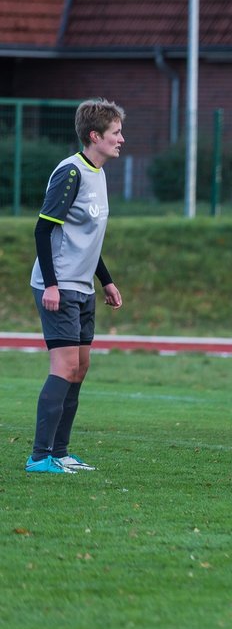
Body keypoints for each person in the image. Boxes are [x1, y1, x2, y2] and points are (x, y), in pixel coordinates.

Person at [26, 98, 126, 474]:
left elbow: (85, 237)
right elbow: (43, 229)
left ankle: (60, 452)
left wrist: (106, 280)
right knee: (64, 366)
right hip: (60, 286)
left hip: (83, 286)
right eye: (116, 133)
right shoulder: (71, 173)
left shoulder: (100, 173)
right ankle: (39, 456)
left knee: (80, 368)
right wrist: (51, 285)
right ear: (95, 135)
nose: (121, 139)